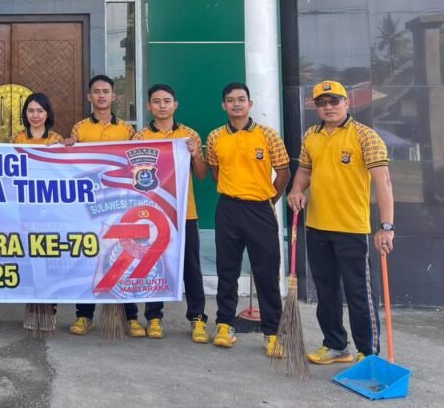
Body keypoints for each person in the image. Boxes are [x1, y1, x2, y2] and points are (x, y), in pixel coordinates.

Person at [287, 80, 396, 365]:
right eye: (321, 103)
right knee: (326, 292)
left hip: (352, 229)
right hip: (317, 227)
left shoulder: (365, 136)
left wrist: (386, 226)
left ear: (347, 102)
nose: (328, 107)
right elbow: (305, 171)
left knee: (359, 293)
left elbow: (383, 182)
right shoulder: (311, 135)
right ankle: (335, 345)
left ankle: (367, 354)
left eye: (334, 101)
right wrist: (297, 190)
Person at [205, 82, 289, 357]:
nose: (236, 104)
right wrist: (235, 190)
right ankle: (225, 324)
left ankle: (272, 332)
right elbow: (215, 171)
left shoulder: (268, 135)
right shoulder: (215, 137)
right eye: (230, 100)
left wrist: (268, 200)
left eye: (241, 99)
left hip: (260, 210)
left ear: (250, 104)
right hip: (228, 209)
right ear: (224, 105)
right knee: (226, 270)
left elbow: (284, 172)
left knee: (266, 273)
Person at [129, 84, 210, 343]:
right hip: (152, 214)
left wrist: (196, 155)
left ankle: (197, 318)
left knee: (191, 267)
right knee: (153, 264)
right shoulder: (140, 137)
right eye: (156, 101)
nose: (162, 105)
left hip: (185, 213)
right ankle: (154, 317)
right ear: (148, 106)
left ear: (175, 105)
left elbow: (201, 175)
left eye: (167, 101)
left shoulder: (189, 135)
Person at [66, 74, 136, 336]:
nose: (101, 96)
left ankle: (130, 316)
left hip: (119, 203)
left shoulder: (127, 131)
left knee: (123, 256)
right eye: (96, 91)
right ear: (89, 97)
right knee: (89, 259)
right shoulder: (79, 129)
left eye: (106, 91)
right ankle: (84, 315)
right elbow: (71, 165)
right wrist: (68, 147)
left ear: (113, 96)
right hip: (89, 205)